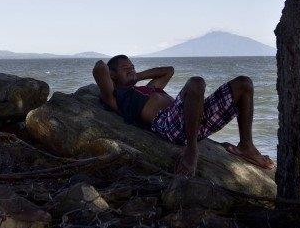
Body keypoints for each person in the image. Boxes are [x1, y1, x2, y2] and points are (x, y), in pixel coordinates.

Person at [92, 55, 275, 176]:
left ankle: (246, 145)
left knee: (244, 83)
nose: (131, 69)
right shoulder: (116, 97)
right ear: (112, 75)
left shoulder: (146, 88)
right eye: (125, 68)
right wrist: (117, 77)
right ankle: (192, 149)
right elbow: (100, 66)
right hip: (168, 126)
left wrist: (134, 75)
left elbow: (169, 70)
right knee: (196, 83)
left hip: (193, 120)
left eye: (133, 66)